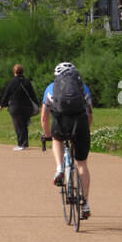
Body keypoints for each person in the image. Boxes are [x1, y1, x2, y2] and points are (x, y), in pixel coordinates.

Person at [41, 61, 94, 219]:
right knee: (82, 163)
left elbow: (44, 117)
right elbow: (90, 112)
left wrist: (48, 134)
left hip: (61, 122)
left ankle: (59, 168)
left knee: (57, 140)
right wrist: (86, 129)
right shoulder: (83, 87)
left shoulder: (51, 88)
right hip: (81, 123)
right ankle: (85, 203)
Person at [0, 64, 37, 150]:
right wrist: (38, 105)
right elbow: (32, 94)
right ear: (23, 71)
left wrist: (2, 104)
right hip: (27, 107)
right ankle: (25, 143)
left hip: (15, 107)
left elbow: (6, 94)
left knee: (18, 126)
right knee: (24, 126)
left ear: (14, 71)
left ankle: (21, 144)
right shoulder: (27, 81)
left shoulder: (12, 82)